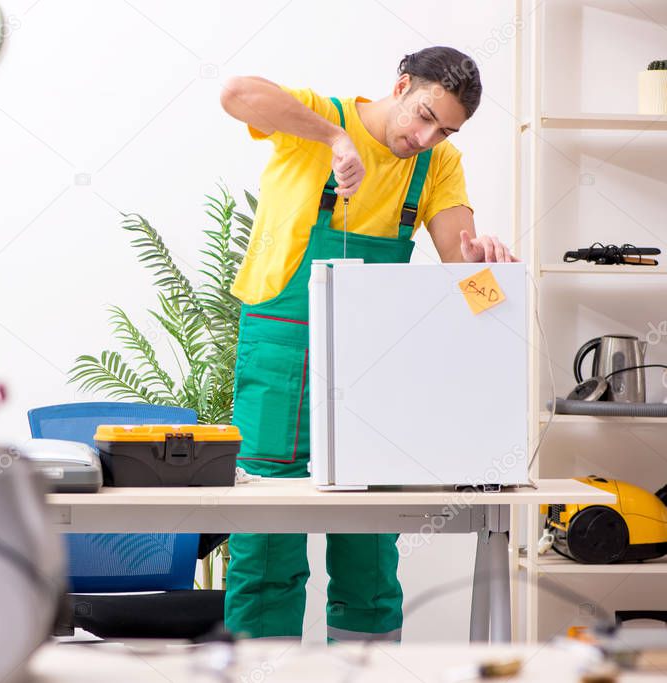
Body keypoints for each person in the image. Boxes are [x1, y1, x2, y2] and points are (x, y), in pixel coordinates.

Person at [219, 46, 517, 643]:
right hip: (281, 347)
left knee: (370, 534)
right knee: (268, 525)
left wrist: (495, 283)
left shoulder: (439, 164)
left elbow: (460, 261)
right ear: (402, 84)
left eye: (445, 130)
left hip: (372, 362)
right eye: (424, 116)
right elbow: (235, 93)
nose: (426, 138)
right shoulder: (316, 118)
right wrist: (334, 138)